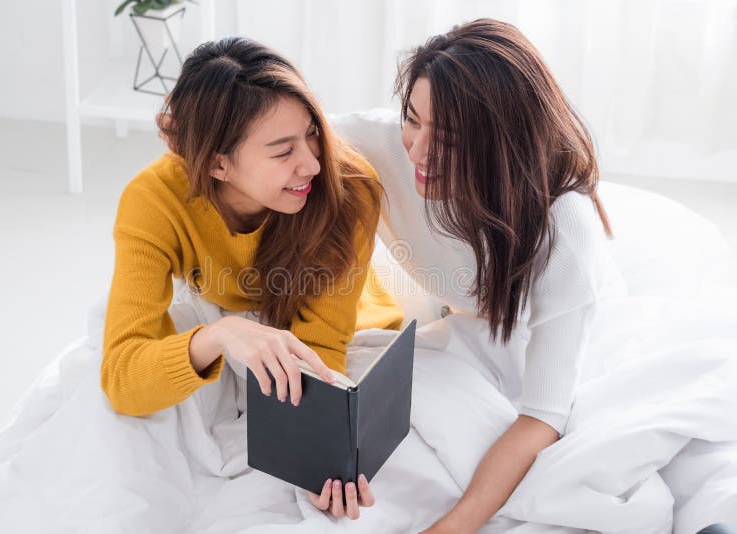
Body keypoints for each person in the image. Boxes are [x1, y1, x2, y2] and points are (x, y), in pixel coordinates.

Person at [106, 36, 402, 520]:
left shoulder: (349, 190)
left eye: (311, 134)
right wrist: (221, 335)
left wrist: (318, 457)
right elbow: (122, 376)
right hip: (224, 326)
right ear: (219, 163)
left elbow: (321, 344)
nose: (311, 162)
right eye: (283, 151)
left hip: (340, 329)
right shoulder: (153, 201)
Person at [381, 18, 623, 532]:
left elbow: (544, 415)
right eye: (411, 118)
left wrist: (451, 526)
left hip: (537, 348)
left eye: (446, 136)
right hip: (467, 324)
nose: (418, 151)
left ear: (503, 139)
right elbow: (283, 125)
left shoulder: (565, 231)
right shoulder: (385, 143)